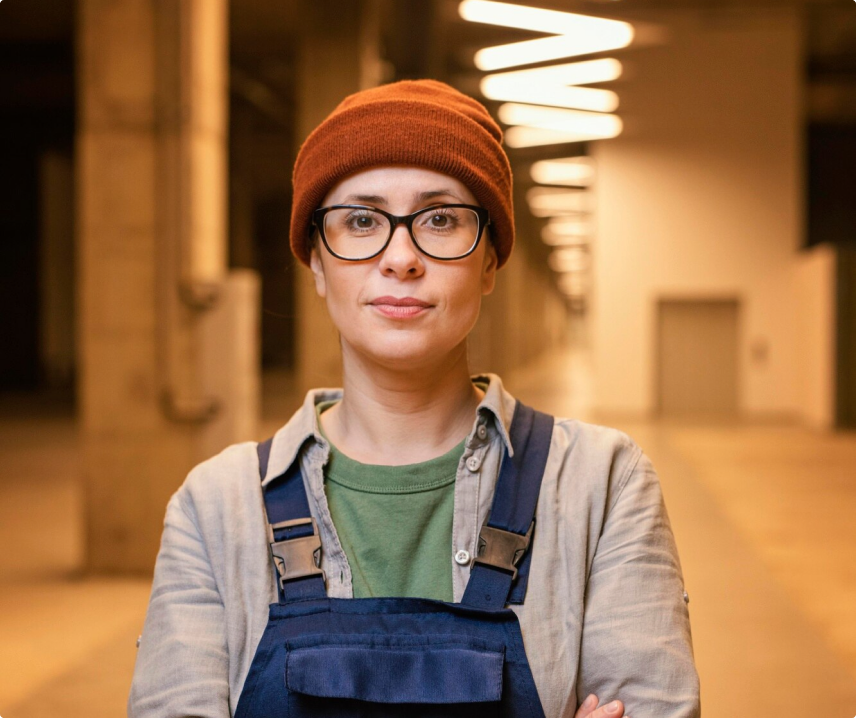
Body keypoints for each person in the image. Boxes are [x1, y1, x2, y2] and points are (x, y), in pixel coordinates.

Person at [128, 80, 700, 718]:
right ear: (316, 261)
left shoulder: (602, 482)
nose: (400, 258)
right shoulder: (215, 508)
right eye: (362, 221)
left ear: (489, 261)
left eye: (441, 219)